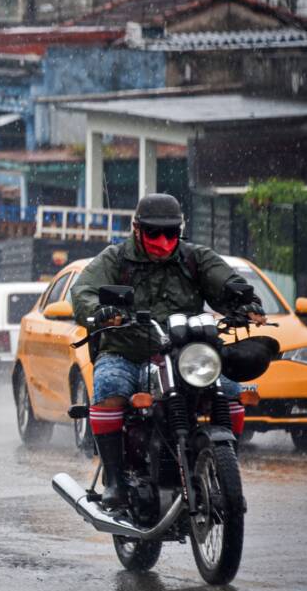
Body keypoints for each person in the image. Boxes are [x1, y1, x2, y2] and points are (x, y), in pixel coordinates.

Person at [70, 194, 265, 509]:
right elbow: (83, 293)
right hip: (128, 351)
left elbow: (226, 282)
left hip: (183, 353)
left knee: (230, 391)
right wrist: (101, 311)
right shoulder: (114, 259)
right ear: (136, 229)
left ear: (180, 230)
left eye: (171, 233)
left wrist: (244, 302)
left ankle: (224, 467)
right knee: (108, 388)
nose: (163, 241)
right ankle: (116, 481)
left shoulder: (195, 258)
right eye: (154, 233)